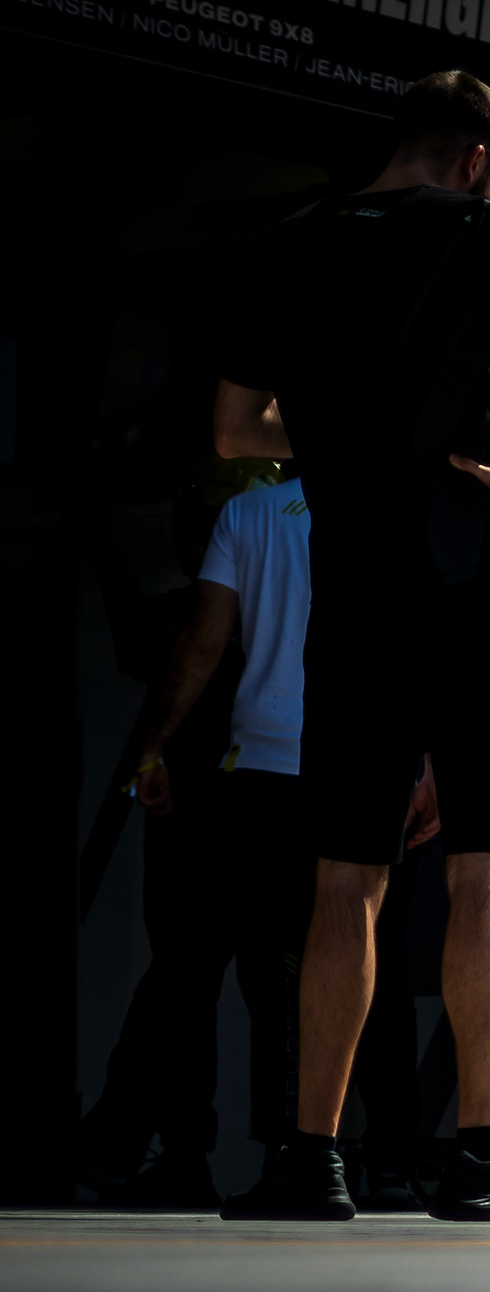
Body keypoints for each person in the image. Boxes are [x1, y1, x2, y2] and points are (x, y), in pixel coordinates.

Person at [210, 67, 490, 1222]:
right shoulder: (487, 228)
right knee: (482, 870)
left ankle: (311, 1159)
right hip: (471, 582)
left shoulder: (295, 242)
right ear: (482, 160)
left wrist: (344, 428)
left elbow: (233, 428)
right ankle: (485, 1154)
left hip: (354, 597)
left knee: (344, 879)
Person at [77, 464, 316, 1206]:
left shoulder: (208, 605)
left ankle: (160, 1147)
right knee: (250, 982)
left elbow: (156, 648)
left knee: (189, 981)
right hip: (264, 798)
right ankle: (264, 1152)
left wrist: (92, 541)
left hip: (210, 810)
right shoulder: (288, 578)